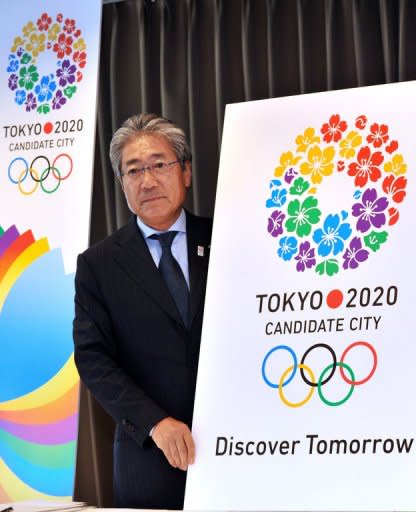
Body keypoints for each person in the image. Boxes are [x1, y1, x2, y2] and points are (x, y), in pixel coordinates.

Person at [73, 113, 212, 509]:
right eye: (134, 171)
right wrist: (154, 423)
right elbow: (93, 359)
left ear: (185, 171)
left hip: (239, 447)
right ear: (122, 184)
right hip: (149, 457)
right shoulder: (98, 264)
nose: (147, 181)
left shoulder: (227, 239)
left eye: (159, 165)